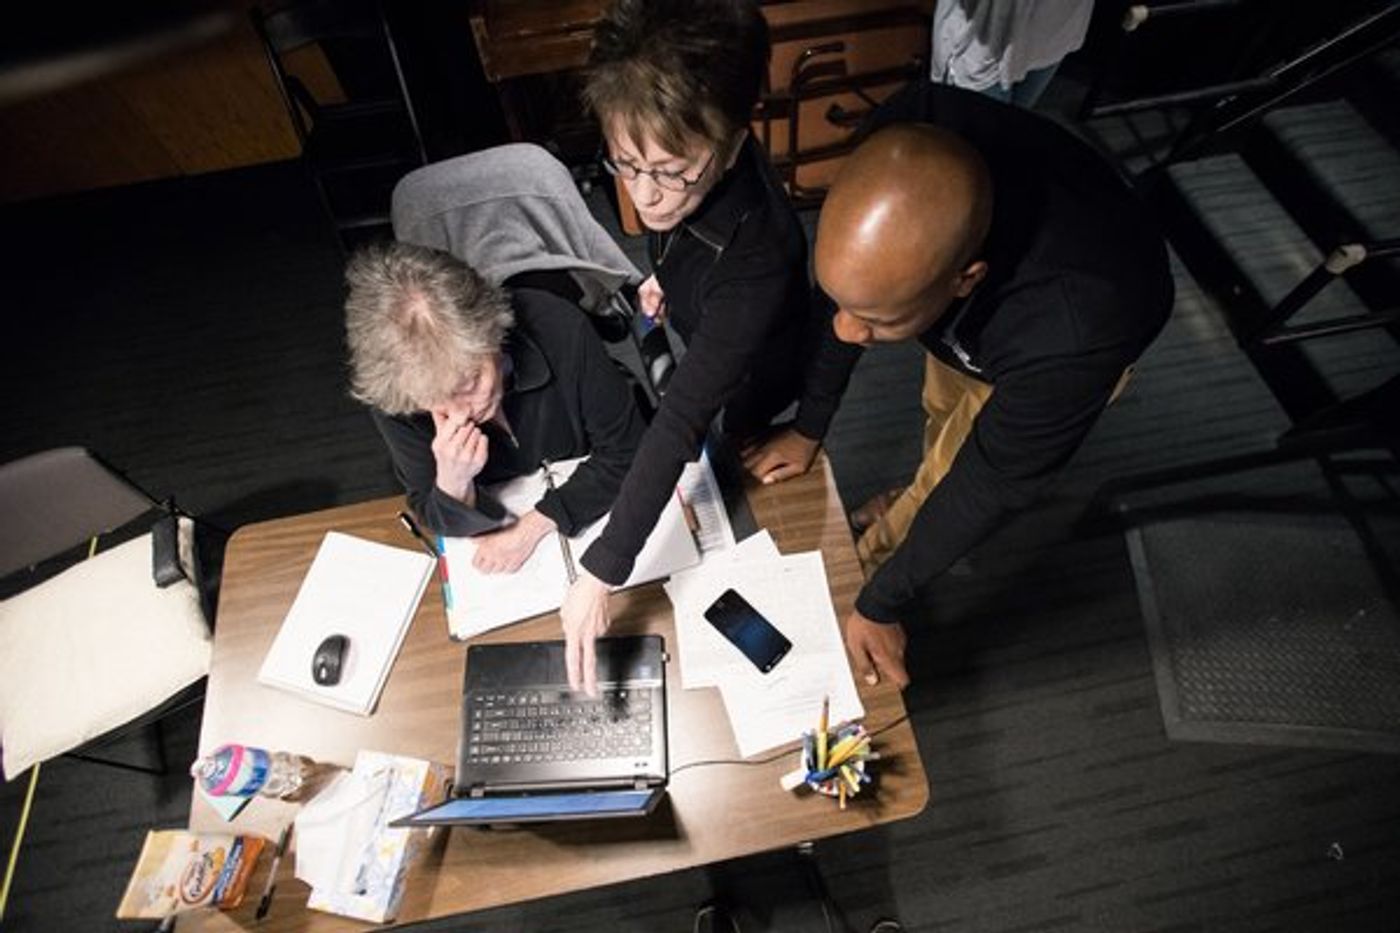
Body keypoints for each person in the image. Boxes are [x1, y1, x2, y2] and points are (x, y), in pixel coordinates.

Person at [742, 80, 1174, 688]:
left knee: (962, 465)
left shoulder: (1074, 336)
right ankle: (913, 497)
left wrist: (880, 604)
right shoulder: (904, 130)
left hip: (1078, 310)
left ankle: (885, 552)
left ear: (964, 279)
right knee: (940, 411)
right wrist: (809, 425)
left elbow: (992, 482)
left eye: (876, 321)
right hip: (990, 300)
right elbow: (847, 303)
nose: (847, 330)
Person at [559, 0, 819, 694]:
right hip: (714, 319)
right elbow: (669, 216)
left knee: (742, 470)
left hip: (762, 370)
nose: (646, 196)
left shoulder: (757, 257)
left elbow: (681, 418)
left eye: (671, 172)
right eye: (625, 164)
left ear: (735, 143)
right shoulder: (683, 166)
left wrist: (603, 565)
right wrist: (669, 272)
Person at [345, 241, 645, 573]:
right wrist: (453, 483)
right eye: (434, 400)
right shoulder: (396, 396)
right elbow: (430, 512)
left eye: (469, 383)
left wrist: (535, 525)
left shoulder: (557, 325)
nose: (460, 414)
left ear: (493, 332)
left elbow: (629, 450)